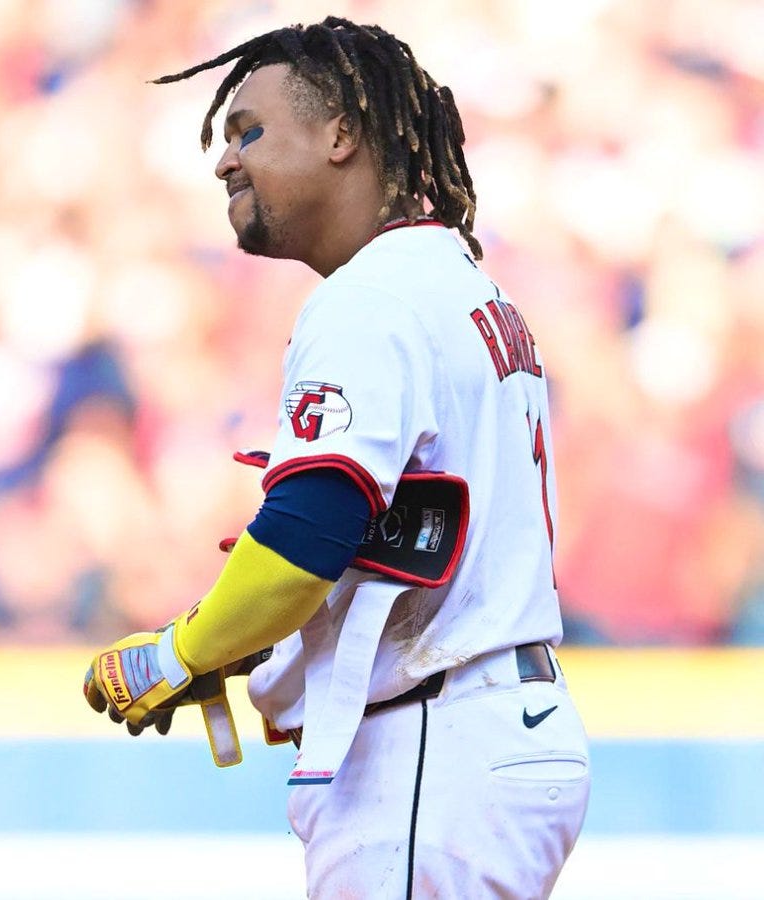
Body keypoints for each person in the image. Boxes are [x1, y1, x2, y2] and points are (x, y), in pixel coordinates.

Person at [83, 17, 591, 898]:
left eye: (250, 130)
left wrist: (182, 653)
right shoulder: (459, 284)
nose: (224, 160)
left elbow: (305, 540)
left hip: (435, 747)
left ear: (341, 133)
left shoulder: (374, 297)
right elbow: (410, 538)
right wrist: (251, 643)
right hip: (487, 726)